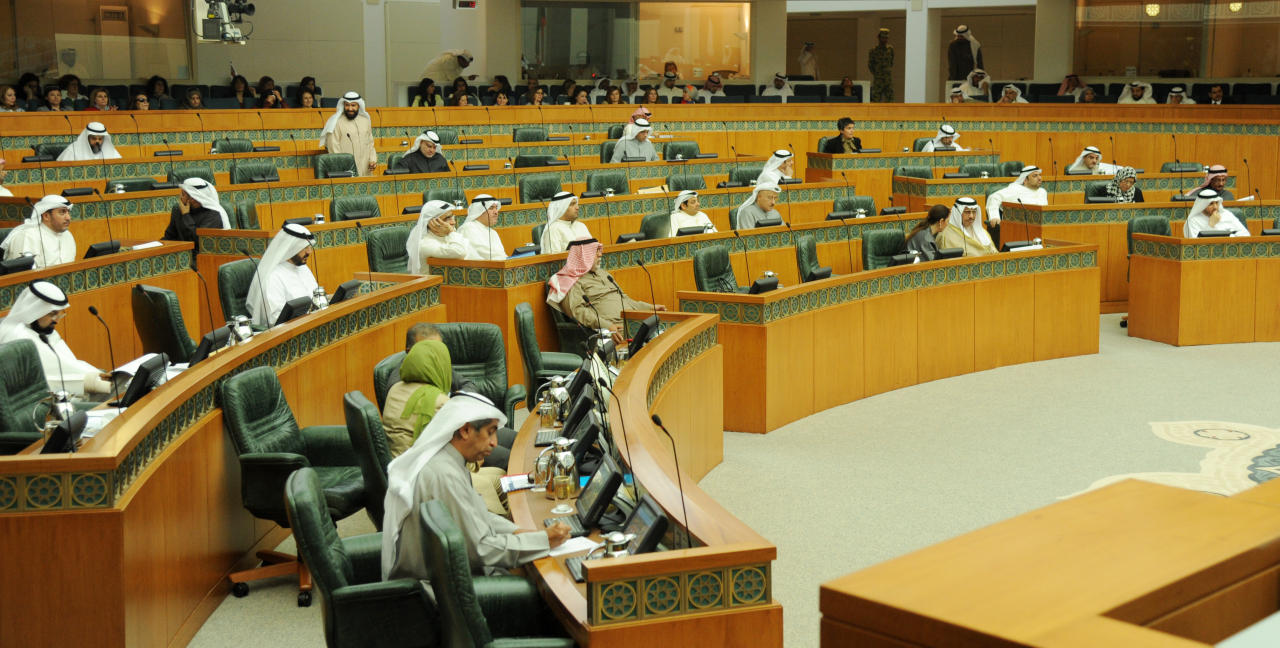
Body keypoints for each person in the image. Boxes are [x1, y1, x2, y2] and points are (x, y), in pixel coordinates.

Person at [381, 393, 569, 581]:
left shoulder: (448, 461)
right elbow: (481, 549)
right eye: (490, 432)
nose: (495, 442)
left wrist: (517, 531)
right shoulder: (445, 475)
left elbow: (473, 514)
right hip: (441, 587)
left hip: (451, 572)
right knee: (551, 577)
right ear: (465, 430)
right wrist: (543, 540)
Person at [0, 281, 113, 396]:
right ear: (34, 311)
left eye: (60, 314)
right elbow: (37, 383)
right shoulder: (16, 337)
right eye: (52, 314)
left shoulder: (46, 331)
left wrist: (95, 374)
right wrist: (91, 382)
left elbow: (68, 364)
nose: (57, 320)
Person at [547, 238, 663, 344]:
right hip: (613, 330)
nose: (600, 254)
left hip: (631, 323)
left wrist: (650, 308)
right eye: (595, 251)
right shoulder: (571, 280)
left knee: (663, 334)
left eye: (599, 250)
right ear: (582, 255)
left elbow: (625, 299)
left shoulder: (603, 273)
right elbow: (579, 312)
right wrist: (607, 326)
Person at [381, 338, 453, 457]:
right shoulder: (441, 402)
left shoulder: (394, 390)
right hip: (418, 466)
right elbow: (461, 450)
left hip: (395, 463)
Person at [245, 223, 319, 328]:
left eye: (310, 247)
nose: (309, 251)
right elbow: (275, 319)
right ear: (291, 248)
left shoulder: (303, 267)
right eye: (305, 247)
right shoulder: (272, 276)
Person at [1, 194, 76, 268]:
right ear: (46, 216)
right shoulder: (26, 236)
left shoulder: (68, 235)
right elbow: (20, 272)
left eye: (68, 212)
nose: (68, 218)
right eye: (62, 212)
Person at [406, 201, 475, 272]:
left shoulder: (447, 235)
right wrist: (451, 232)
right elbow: (460, 252)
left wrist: (451, 233)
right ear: (432, 222)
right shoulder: (424, 244)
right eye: (447, 218)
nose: (453, 222)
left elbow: (469, 251)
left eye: (452, 217)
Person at [161, 178, 231, 248]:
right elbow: (169, 237)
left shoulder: (213, 215)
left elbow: (198, 242)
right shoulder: (178, 211)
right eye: (182, 194)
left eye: (184, 195)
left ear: (196, 198)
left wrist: (186, 215)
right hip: (181, 251)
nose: (181, 197)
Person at [320, 91, 378, 176]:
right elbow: (333, 149)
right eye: (347, 105)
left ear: (359, 106)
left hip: (366, 171)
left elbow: (370, 144)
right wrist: (342, 168)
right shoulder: (336, 123)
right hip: (347, 172)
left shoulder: (365, 121)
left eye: (353, 105)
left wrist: (372, 160)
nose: (350, 108)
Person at [985, 165, 1047, 238]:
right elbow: (994, 197)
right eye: (1035, 176)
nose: (1039, 178)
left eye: (1040, 175)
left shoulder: (1042, 192)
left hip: (1041, 229)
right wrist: (994, 216)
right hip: (1017, 230)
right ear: (1025, 180)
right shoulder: (1015, 189)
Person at [458, 195, 506, 260]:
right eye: (491, 208)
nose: (496, 212)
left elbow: (501, 254)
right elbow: (483, 253)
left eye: (496, 208)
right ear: (479, 210)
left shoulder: (493, 232)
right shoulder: (467, 228)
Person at [57, 121, 122, 161]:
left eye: (100, 139)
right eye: (94, 138)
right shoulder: (73, 150)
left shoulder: (110, 150)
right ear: (87, 138)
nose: (97, 142)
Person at [868, 28, 895, 103]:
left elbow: (891, 62)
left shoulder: (890, 49)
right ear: (879, 38)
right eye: (883, 37)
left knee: (890, 99)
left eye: (886, 38)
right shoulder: (873, 50)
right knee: (876, 99)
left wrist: (886, 71)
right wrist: (877, 73)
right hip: (878, 79)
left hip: (888, 78)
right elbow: (870, 65)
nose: (885, 40)